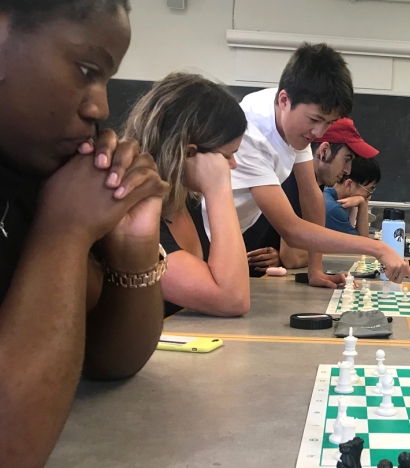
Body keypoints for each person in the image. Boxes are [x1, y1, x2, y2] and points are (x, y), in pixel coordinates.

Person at [0, 1, 170, 465]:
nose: (101, 106)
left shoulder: (28, 173)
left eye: (105, 79)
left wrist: (132, 245)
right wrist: (64, 232)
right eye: (86, 69)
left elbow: (110, 360)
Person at [220, 43, 410, 288]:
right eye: (315, 120)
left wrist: (315, 271)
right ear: (284, 100)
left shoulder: (295, 118)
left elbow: (312, 198)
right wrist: (377, 248)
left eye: (328, 123)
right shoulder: (253, 135)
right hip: (209, 237)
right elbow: (292, 230)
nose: (319, 132)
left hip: (233, 234)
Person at [123, 73, 252, 317]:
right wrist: (218, 190)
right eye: (226, 156)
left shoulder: (184, 200)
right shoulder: (134, 213)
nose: (233, 164)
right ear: (189, 154)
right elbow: (232, 299)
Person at [279, 117, 379, 266]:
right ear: (324, 151)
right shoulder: (295, 180)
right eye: (346, 159)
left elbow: (307, 249)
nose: (347, 170)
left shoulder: (317, 187)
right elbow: (293, 258)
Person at [325, 156, 381, 237]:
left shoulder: (325, 192)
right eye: (369, 190)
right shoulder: (333, 209)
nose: (368, 197)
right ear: (349, 184)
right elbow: (363, 246)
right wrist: (363, 204)